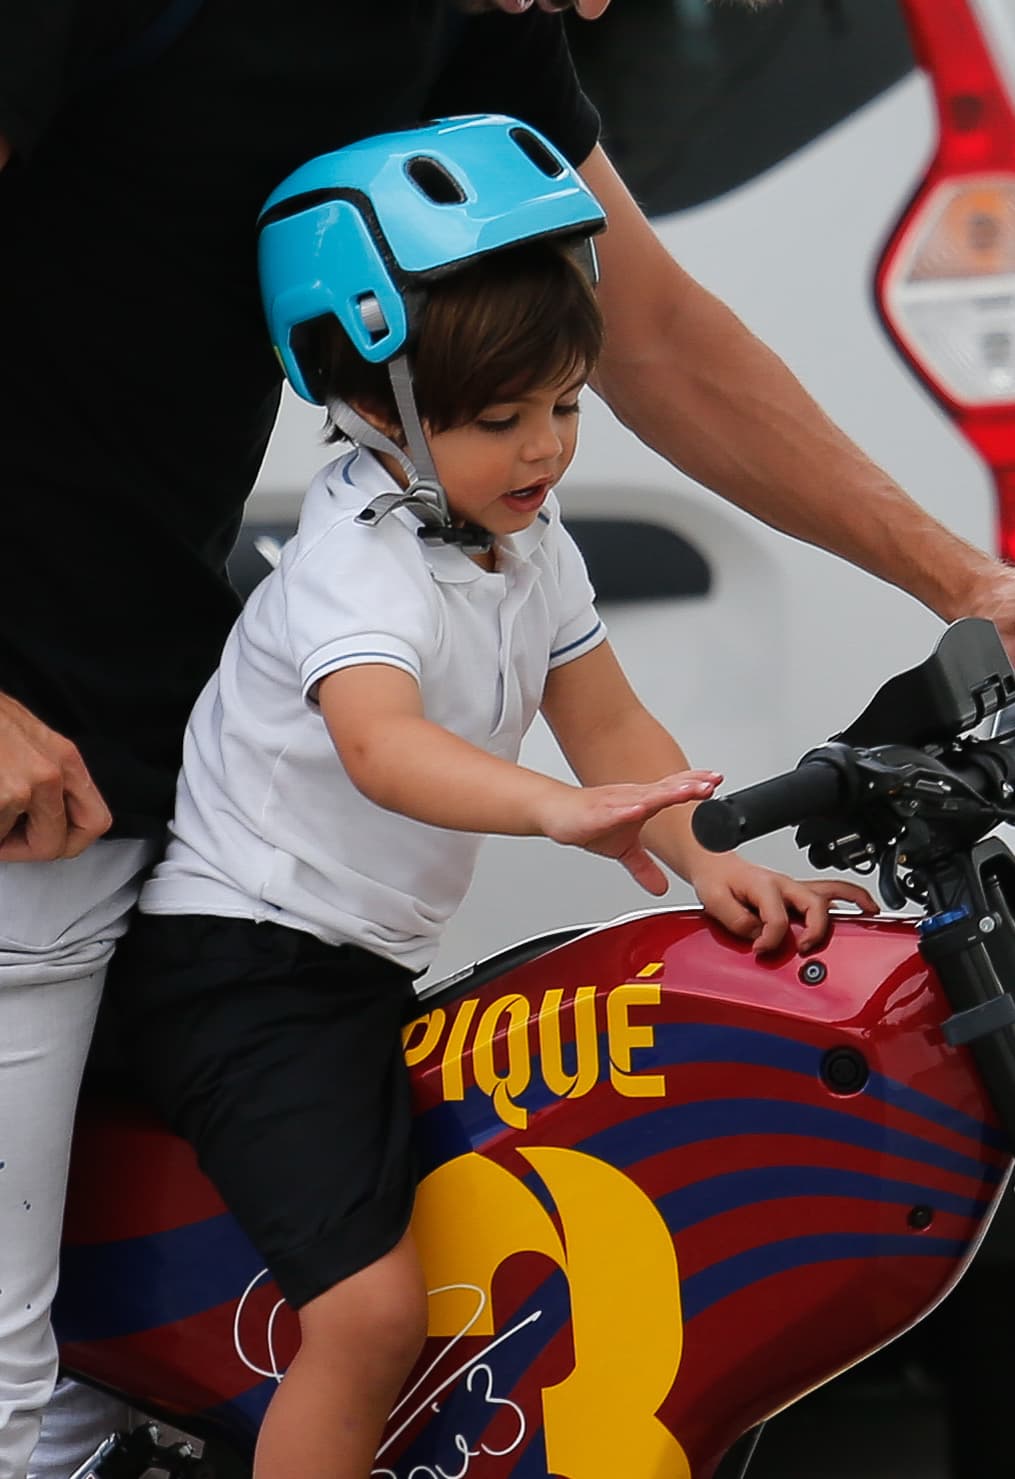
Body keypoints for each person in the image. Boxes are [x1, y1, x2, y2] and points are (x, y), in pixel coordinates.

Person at [0, 2, 1009, 1476]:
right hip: (27, 769)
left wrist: (972, 588)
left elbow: (652, 329)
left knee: (149, 1372)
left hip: (143, 727)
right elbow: (390, 740)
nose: (598, 10)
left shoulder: (472, 19)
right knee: (23, 1408)